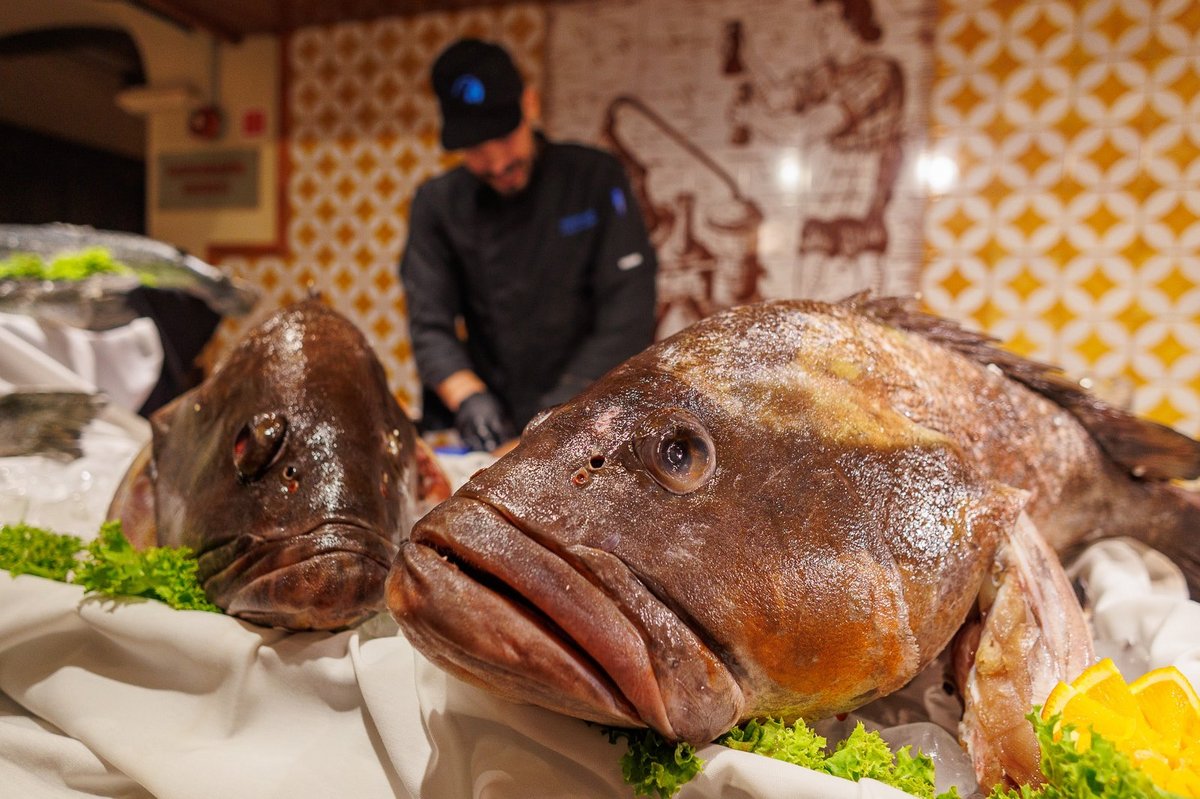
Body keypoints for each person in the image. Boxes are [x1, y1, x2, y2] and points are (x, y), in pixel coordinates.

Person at [400, 38, 658, 452]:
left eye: (505, 137)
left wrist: (559, 416)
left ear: (531, 105)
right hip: (492, 431)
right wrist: (467, 395)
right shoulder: (437, 204)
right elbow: (430, 323)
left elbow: (628, 310)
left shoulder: (595, 178)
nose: (498, 162)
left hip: (592, 416)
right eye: (477, 150)